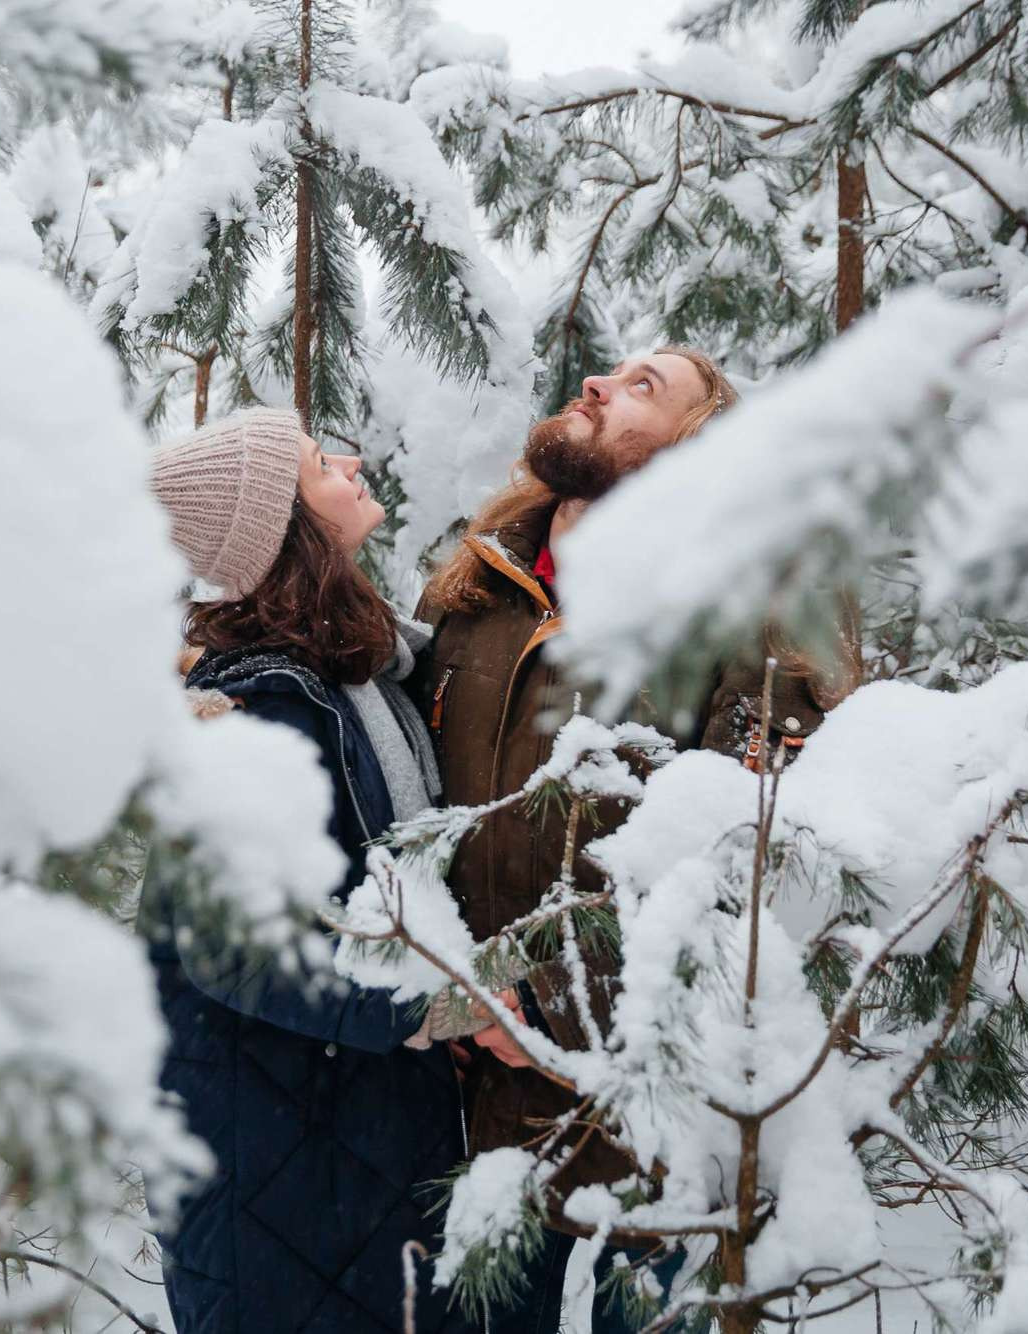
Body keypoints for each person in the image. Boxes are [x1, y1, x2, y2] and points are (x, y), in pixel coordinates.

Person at [414, 350, 855, 1334]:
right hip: (436, 1129)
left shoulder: (744, 617)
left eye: (642, 386)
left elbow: (747, 882)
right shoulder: (471, 590)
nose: (597, 385)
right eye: (608, 373)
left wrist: (533, 1005)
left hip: (615, 1154)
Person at [140, 407, 487, 1334]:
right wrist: (428, 1009)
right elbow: (235, 946)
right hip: (276, 1159)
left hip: (344, 1130)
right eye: (314, 462)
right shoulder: (252, 710)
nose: (349, 459)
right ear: (282, 527)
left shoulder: (352, 678)